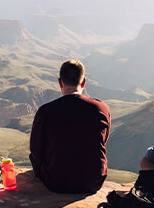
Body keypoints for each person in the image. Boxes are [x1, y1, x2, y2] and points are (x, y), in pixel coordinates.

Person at [29, 59, 111, 193]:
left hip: (55, 182)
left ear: (60, 82)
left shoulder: (46, 111)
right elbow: (103, 140)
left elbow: (36, 151)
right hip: (93, 182)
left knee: (34, 158)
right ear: (83, 82)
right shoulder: (101, 108)